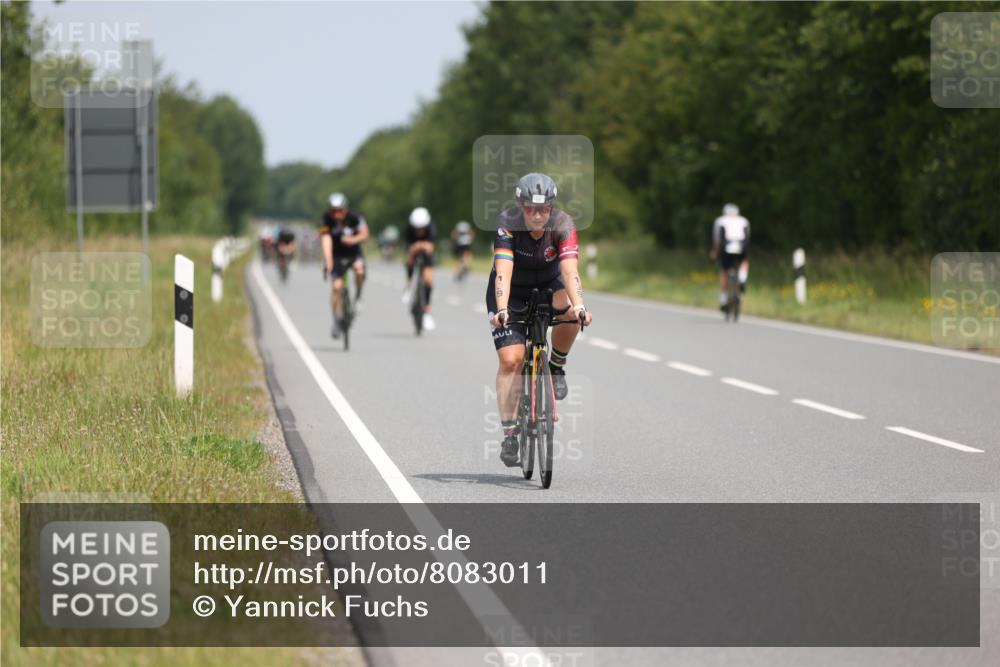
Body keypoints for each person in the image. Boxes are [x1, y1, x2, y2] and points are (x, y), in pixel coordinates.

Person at [487, 173, 592, 467]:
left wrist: (581, 306)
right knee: (511, 361)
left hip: (550, 285)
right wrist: (501, 308)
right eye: (531, 208)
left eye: (544, 208)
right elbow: (503, 271)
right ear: (521, 206)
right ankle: (510, 434)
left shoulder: (563, 225)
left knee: (571, 312)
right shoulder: (507, 222)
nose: (537, 214)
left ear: (551, 207)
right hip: (512, 292)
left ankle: (556, 365)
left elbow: (570, 272)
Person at [319, 192, 369, 338]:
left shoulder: (355, 217)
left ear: (345, 209)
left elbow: (365, 234)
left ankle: (358, 296)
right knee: (336, 287)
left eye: (340, 210)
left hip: (353, 252)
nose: (337, 214)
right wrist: (328, 260)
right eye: (333, 211)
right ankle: (336, 320)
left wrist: (352, 240)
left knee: (359, 270)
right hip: (336, 255)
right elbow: (326, 239)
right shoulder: (325, 220)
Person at [401, 207, 437, 331]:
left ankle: (427, 309)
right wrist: (415, 247)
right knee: (410, 258)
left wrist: (423, 246)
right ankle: (409, 284)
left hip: (426, 252)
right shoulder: (408, 229)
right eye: (417, 228)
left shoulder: (431, 227)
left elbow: (431, 247)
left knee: (428, 279)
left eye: (421, 228)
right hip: (413, 249)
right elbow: (408, 246)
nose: (419, 231)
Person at [709, 203, 750, 310]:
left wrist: (714, 253)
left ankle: (723, 300)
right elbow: (747, 237)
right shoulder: (744, 220)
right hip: (741, 246)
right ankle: (742, 279)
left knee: (724, 271)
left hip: (727, 246)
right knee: (744, 262)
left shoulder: (720, 220)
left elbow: (717, 240)